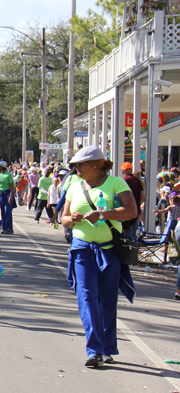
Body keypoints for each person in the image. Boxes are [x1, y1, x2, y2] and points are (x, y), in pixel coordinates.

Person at [61, 146, 137, 368]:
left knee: (107, 299)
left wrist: (103, 214)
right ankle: (94, 349)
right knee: (86, 297)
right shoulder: (74, 186)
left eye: (80, 165)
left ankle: (107, 348)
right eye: (75, 166)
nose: (76, 169)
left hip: (110, 249)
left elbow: (131, 211)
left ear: (96, 165)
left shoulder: (116, 184)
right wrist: (71, 219)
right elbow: (63, 218)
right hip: (82, 249)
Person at [121, 162, 144, 237]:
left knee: (128, 233)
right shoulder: (137, 180)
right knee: (133, 233)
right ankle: (135, 247)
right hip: (137, 211)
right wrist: (137, 205)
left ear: (122, 171)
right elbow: (142, 195)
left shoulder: (124, 180)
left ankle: (131, 248)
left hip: (128, 212)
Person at [0, 161, 15, 234]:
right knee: (2, 211)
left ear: (2, 167)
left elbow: (11, 187)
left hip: (7, 194)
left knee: (7, 211)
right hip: (1, 194)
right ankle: (4, 228)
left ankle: (9, 228)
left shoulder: (8, 175)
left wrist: (11, 196)